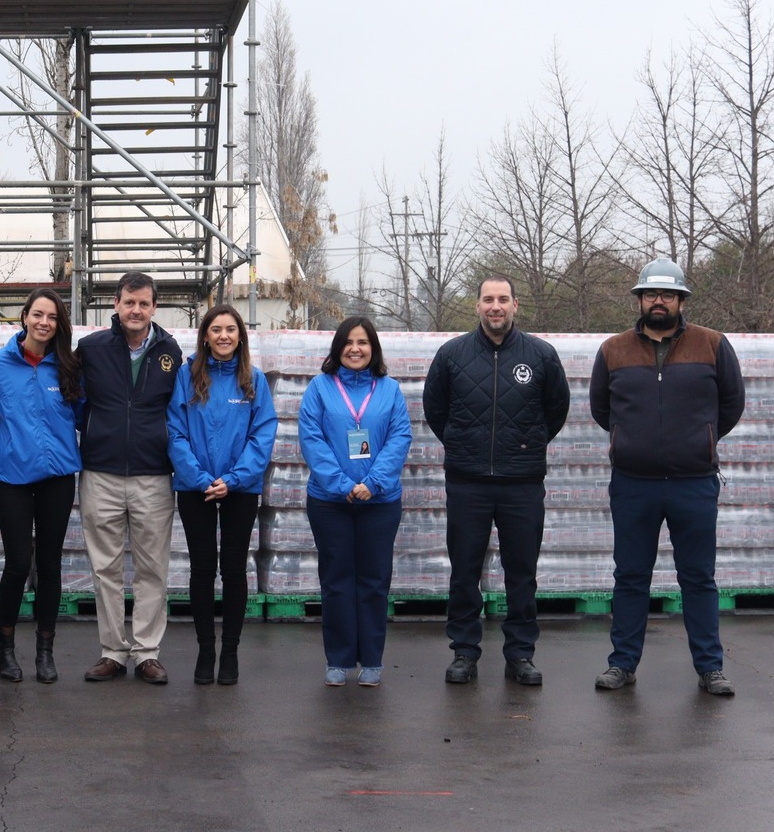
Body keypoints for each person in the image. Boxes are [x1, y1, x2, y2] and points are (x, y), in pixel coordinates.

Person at [590, 259, 745, 696]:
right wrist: (632, 441)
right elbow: (603, 409)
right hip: (633, 483)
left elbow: (730, 405)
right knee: (631, 576)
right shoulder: (613, 350)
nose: (659, 301)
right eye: (651, 294)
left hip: (693, 482)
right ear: (640, 300)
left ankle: (710, 668)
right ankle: (622, 665)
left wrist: (701, 439)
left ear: (681, 300)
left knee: (698, 578)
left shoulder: (713, 345)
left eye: (668, 295)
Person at [422, 276, 570, 687]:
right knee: (464, 571)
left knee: (521, 573)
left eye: (503, 300)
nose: (495, 307)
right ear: (477, 306)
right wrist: (462, 445)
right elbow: (436, 409)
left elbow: (555, 410)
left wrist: (526, 446)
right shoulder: (452, 355)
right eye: (488, 299)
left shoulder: (540, 355)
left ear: (515, 305)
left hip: (522, 483)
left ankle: (520, 654)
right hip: (467, 482)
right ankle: (464, 653)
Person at [78, 272, 184, 685]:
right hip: (100, 472)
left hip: (153, 474)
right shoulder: (91, 349)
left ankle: (146, 653)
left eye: (143, 303)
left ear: (154, 307)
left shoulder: (170, 352)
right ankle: (112, 652)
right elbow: (73, 399)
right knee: (104, 568)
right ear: (116, 305)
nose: (136, 310)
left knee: (151, 568)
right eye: (128, 302)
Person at [299, 317, 412, 688]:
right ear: (337, 348)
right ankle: (339, 659)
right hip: (330, 502)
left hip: (379, 503)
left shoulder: (389, 389)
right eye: (348, 342)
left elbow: (400, 438)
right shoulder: (319, 388)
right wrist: (342, 484)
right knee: (336, 581)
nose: (355, 349)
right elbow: (311, 438)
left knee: (374, 581)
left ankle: (373, 660)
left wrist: (374, 483)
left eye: (363, 342)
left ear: (373, 348)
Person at [166, 303, 276, 685]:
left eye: (231, 329)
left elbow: (262, 435)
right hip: (195, 488)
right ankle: (205, 650)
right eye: (216, 329)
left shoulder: (253, 380)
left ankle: (229, 652)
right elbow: (175, 431)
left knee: (233, 569)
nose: (224, 336)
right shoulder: (186, 376)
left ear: (240, 336)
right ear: (206, 335)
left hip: (239, 490)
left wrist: (234, 478)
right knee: (201, 569)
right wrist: (198, 478)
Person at [0, 288, 82, 684]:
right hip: (12, 478)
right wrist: (6, 443)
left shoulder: (68, 367)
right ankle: (5, 648)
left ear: (59, 324)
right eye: (37, 314)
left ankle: (45, 650)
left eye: (52, 317)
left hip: (58, 477)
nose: (44, 322)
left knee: (50, 564)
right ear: (23, 317)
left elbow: (82, 413)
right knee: (19, 563)